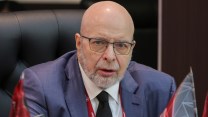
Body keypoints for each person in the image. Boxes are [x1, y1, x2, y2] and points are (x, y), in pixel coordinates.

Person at [23, 1, 176, 117]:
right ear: (78, 43)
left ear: (132, 48)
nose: (110, 56)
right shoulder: (40, 87)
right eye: (99, 43)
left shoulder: (161, 89)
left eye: (121, 45)